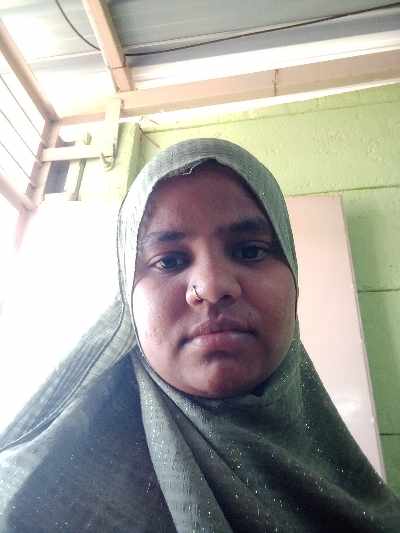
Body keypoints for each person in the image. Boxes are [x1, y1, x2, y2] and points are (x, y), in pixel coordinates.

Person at [0, 138, 399, 532]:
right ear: (127, 298)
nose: (211, 286)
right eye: (169, 260)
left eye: (250, 251)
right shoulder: (26, 503)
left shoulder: (348, 486)